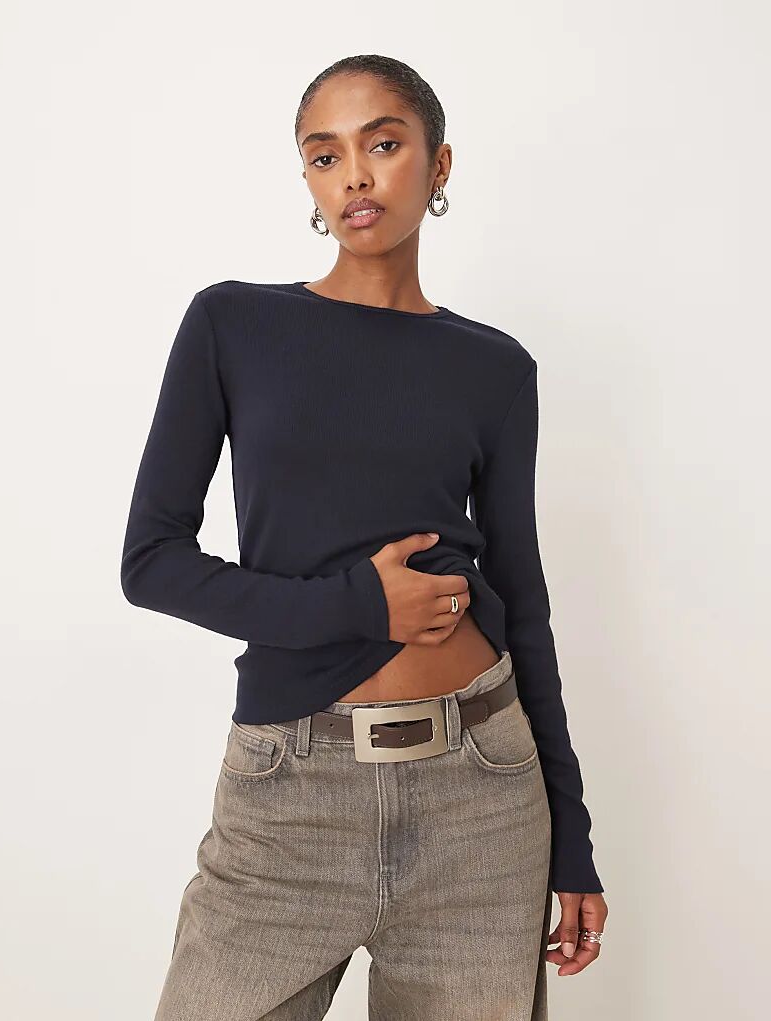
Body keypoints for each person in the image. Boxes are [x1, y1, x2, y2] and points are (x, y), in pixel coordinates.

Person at [121, 53, 608, 1021]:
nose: (354, 175)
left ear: (438, 165)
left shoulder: (496, 368)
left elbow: (524, 600)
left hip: (482, 795)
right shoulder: (232, 323)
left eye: (382, 144)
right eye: (324, 154)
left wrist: (572, 836)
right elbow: (151, 562)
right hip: (288, 795)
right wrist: (355, 605)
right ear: (306, 177)